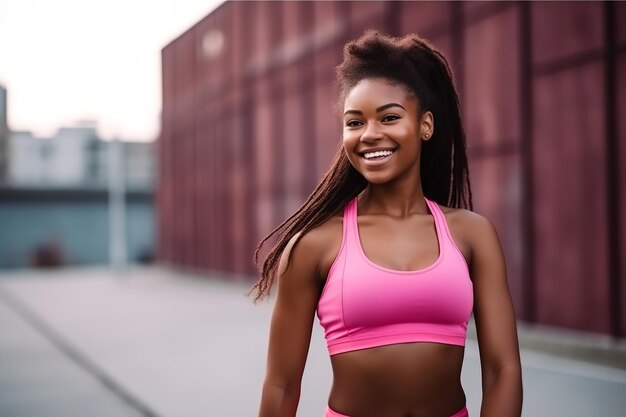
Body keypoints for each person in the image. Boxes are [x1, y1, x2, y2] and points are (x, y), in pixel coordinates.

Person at [251, 30, 522, 417]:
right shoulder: (314, 245)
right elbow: (281, 385)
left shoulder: (472, 234)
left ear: (425, 125)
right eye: (354, 122)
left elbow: (502, 371)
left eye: (389, 117)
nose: (370, 134)